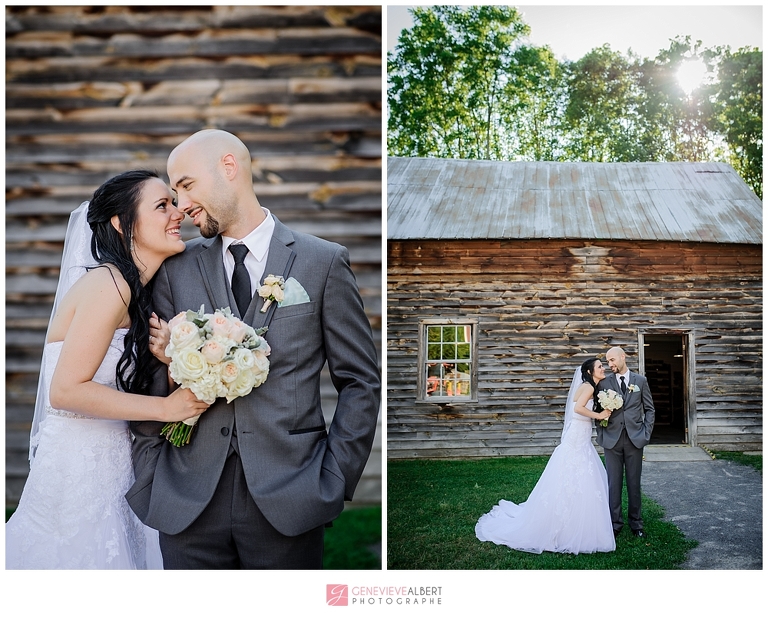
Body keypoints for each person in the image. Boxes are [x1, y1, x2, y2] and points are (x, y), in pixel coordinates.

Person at [126, 129, 381, 569]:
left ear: (229, 167)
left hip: (291, 494)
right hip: (188, 499)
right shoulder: (174, 269)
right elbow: (150, 379)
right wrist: (151, 469)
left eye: (185, 186)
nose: (181, 206)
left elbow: (360, 381)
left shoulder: (322, 262)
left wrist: (334, 475)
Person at [5, 170, 209, 569]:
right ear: (121, 224)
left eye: (175, 202)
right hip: (79, 472)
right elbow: (66, 392)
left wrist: (171, 360)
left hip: (116, 465)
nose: (178, 213)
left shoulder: (135, 292)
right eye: (162, 205)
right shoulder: (109, 285)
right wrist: (167, 410)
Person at [475, 358, 616, 554]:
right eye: (600, 366)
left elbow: (578, 406)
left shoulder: (586, 385)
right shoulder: (589, 388)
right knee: (578, 472)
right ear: (590, 371)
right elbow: (578, 408)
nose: (603, 368)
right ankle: (565, 527)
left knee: (575, 473)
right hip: (578, 438)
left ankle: (569, 522)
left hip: (580, 435)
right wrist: (600, 416)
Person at [597, 347, 655, 538]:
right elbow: (597, 411)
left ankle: (636, 524)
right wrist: (602, 433)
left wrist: (645, 433)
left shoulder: (641, 381)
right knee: (613, 484)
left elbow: (649, 409)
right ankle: (614, 524)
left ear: (623, 357)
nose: (610, 365)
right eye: (607, 362)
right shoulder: (605, 382)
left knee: (633, 483)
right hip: (612, 440)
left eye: (612, 360)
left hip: (635, 439)